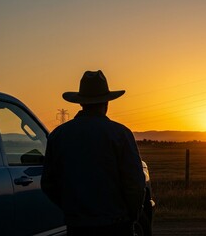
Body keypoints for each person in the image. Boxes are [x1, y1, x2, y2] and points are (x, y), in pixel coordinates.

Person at [41, 70, 145, 236]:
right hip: (116, 224)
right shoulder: (121, 134)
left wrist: (72, 208)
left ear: (81, 103)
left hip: (77, 226)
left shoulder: (58, 135)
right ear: (107, 103)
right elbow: (135, 184)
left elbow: (48, 183)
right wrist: (132, 216)